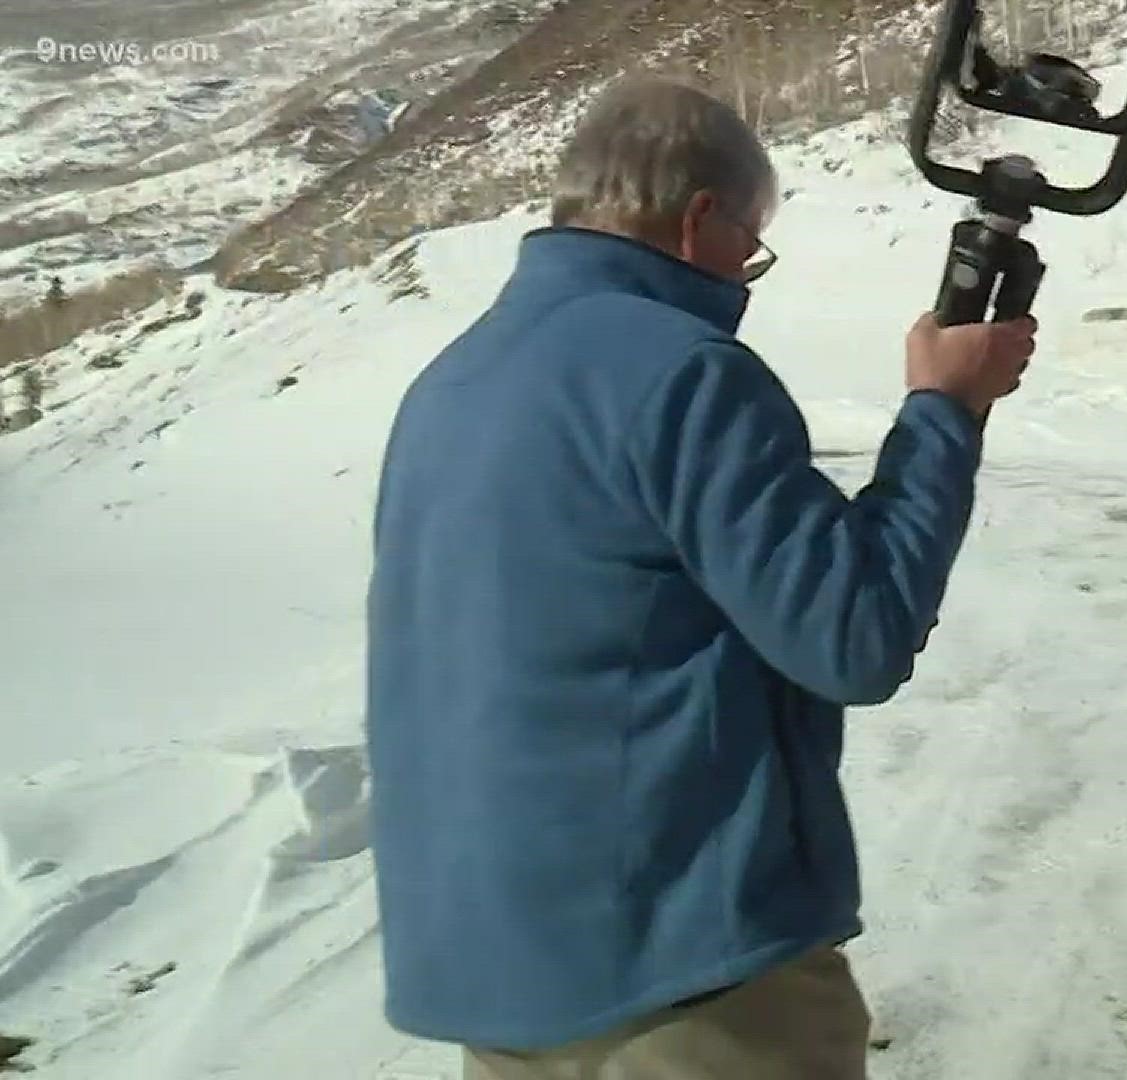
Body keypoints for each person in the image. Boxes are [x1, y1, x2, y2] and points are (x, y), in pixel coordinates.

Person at [363, 74, 1036, 1079]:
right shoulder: (681, 369)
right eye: (750, 246)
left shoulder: (451, 382)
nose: (747, 275)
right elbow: (854, 638)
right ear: (699, 219)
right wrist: (946, 411)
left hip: (494, 977)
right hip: (682, 981)